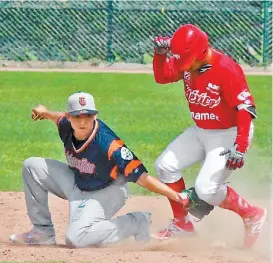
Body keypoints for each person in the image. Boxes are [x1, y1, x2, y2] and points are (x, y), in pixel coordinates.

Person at [10, 91, 194, 248]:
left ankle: (137, 222)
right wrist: (45, 112)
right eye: (77, 116)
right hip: (78, 181)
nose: (83, 122)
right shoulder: (65, 124)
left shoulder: (109, 145)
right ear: (69, 117)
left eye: (87, 116)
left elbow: (143, 177)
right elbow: (57, 118)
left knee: (76, 239)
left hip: (107, 191)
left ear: (95, 116)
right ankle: (42, 233)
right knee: (31, 166)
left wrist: (177, 196)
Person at [152, 24, 267, 248]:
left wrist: (240, 146)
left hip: (229, 134)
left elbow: (245, 108)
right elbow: (163, 77)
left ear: (202, 52)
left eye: (190, 63)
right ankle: (182, 224)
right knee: (165, 166)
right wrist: (160, 55)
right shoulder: (188, 59)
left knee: (206, 188)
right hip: (201, 130)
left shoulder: (226, 68)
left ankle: (252, 214)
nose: (187, 68)